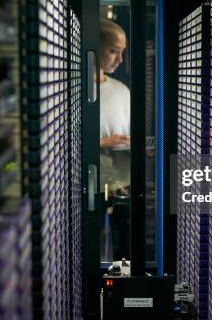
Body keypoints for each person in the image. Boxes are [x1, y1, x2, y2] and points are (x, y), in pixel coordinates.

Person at [98, 19, 130, 262]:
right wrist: (103, 143)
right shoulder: (73, 88)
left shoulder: (121, 90)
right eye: (113, 51)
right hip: (88, 188)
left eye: (122, 53)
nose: (119, 60)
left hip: (121, 186)